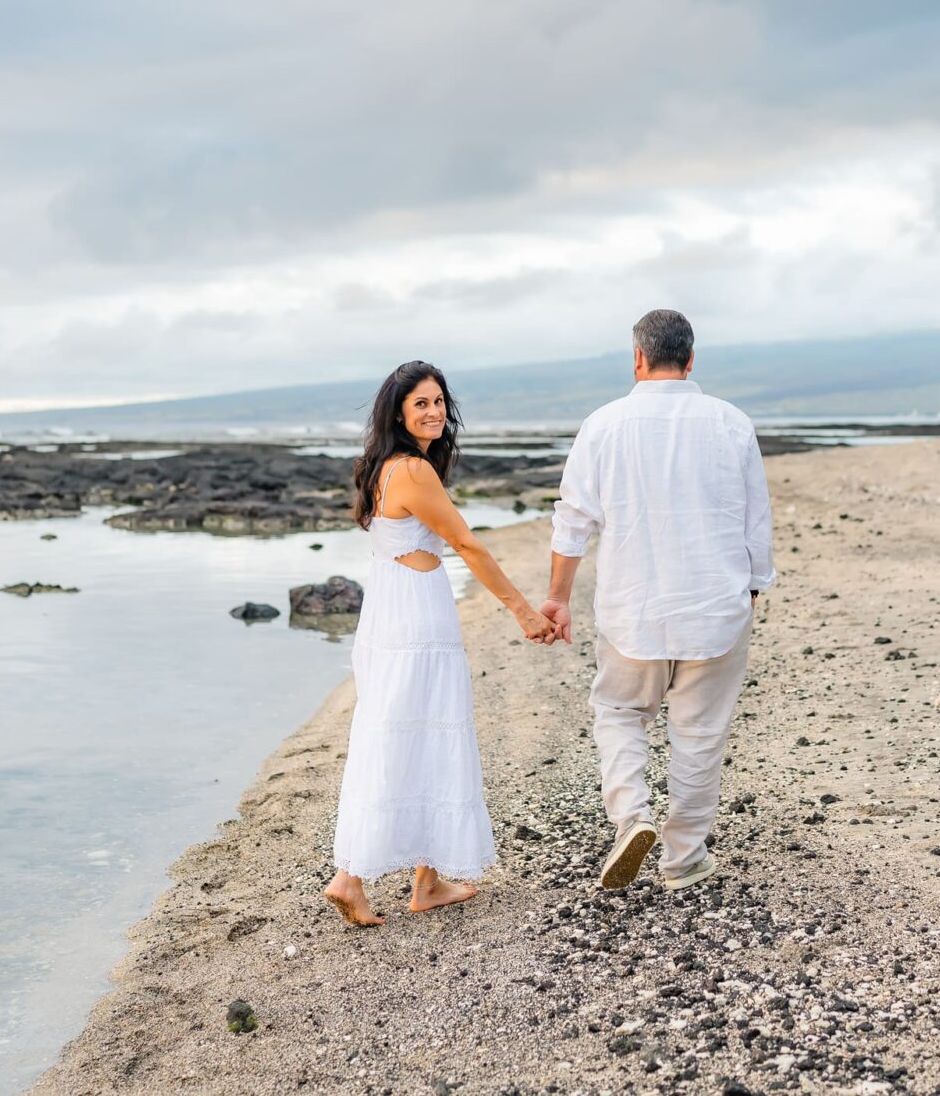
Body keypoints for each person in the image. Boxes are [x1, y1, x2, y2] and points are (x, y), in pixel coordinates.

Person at [539, 310, 774, 892]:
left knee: (620, 713)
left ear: (637, 359)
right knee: (699, 734)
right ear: (691, 359)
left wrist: (557, 599)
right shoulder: (731, 422)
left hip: (632, 607)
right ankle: (683, 859)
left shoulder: (604, 424)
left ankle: (632, 818)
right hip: (715, 606)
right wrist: (754, 586)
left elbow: (572, 521)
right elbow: (755, 521)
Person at [324, 360, 557, 927]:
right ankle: (350, 877)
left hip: (393, 608)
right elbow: (467, 546)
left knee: (412, 731)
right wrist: (524, 611)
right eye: (420, 404)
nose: (433, 412)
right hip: (415, 617)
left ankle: (425, 881)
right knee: (409, 734)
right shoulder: (411, 471)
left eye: (438, 401)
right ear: (399, 413)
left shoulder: (383, 466)